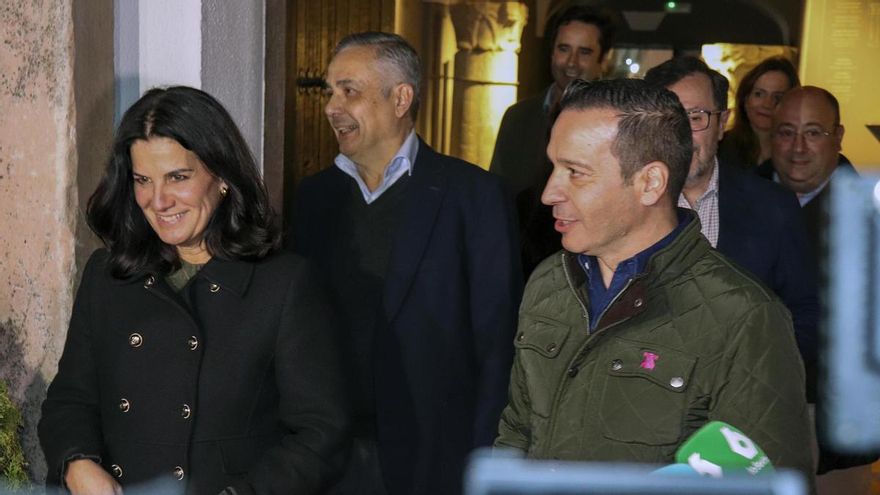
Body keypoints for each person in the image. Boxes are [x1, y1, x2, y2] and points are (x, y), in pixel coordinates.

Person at [494, 78, 815, 486]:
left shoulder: (744, 318)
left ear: (650, 183)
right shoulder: (549, 282)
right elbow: (517, 431)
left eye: (575, 172)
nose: (549, 193)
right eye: (554, 167)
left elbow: (771, 481)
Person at [39, 86, 349, 495]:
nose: (158, 201)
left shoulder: (283, 283)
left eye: (178, 177)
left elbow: (320, 434)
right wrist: (78, 463)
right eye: (142, 180)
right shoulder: (108, 274)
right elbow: (69, 400)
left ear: (222, 178)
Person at [289, 32, 521, 495]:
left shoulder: (474, 197)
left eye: (349, 91)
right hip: (329, 462)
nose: (332, 107)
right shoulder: (312, 199)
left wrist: (485, 466)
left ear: (401, 98)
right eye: (331, 91)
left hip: (435, 459)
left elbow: (498, 347)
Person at [644, 56, 819, 377]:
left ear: (722, 122)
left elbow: (805, 312)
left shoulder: (774, 208)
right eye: (668, 119)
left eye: (696, 117)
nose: (681, 134)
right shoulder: (625, 205)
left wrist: (755, 377)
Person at [762, 86, 877, 490]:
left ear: (838, 136)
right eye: (786, 132)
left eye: (813, 133)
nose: (798, 148)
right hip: (741, 410)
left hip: (831, 422)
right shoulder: (738, 196)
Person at [490, 4, 617, 197]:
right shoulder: (517, 117)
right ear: (552, 53)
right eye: (564, 49)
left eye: (584, 52)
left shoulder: (615, 123)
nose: (571, 62)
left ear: (604, 60)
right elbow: (497, 191)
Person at [719, 56, 799, 168]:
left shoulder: (799, 152)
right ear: (745, 99)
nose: (767, 104)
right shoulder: (719, 149)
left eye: (777, 97)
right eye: (759, 94)